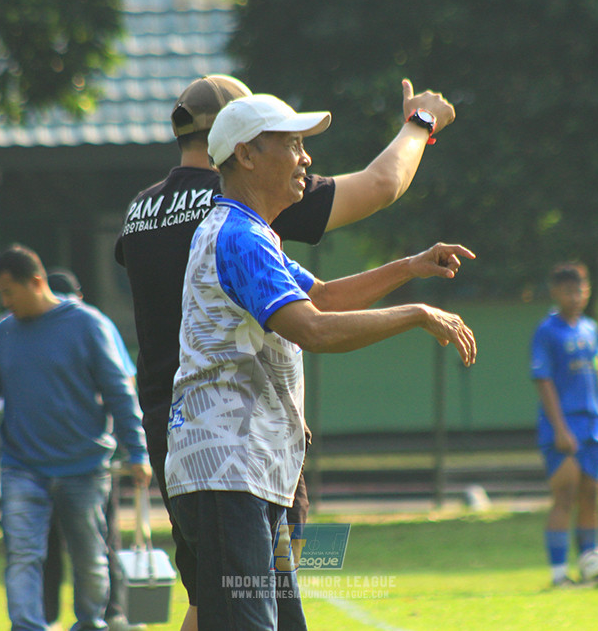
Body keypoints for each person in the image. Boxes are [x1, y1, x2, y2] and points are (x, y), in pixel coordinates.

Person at [114, 73, 455, 630]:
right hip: (226, 469)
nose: (305, 158)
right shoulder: (237, 237)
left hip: (248, 465)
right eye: (293, 144)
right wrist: (416, 315)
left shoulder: (247, 231)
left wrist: (410, 268)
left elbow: (318, 295)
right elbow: (315, 328)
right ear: (245, 155)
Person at [0, 244, 152, 631]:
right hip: (22, 467)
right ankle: (27, 626)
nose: (5, 301)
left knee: (89, 555)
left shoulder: (88, 324)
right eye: (1, 294)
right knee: (23, 555)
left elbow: (119, 391)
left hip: (84, 466)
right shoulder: (4, 331)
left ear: (37, 281)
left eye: (9, 291)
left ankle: (91, 623)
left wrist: (137, 450)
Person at [41, 269, 143, 631]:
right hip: (92, 454)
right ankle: (111, 613)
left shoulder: (86, 325)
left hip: (76, 455)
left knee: (62, 541)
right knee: (103, 538)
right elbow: (125, 383)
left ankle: (57, 615)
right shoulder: (94, 323)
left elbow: (122, 383)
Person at [529, 262, 598, 588]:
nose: (575, 296)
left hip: (593, 424)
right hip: (564, 426)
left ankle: (589, 571)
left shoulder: (590, 329)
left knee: (591, 498)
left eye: (581, 289)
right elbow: (544, 382)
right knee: (564, 497)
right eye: (568, 290)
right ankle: (558, 577)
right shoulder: (547, 331)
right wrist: (560, 429)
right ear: (555, 292)